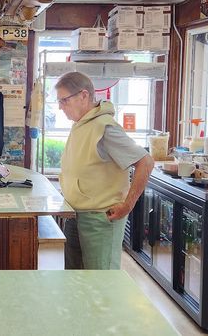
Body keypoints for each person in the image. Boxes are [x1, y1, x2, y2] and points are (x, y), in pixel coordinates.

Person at [55, 72, 154, 270]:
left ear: (83, 96)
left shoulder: (105, 127)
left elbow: (145, 162)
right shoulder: (80, 124)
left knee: (101, 284)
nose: (60, 107)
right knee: (77, 281)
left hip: (99, 218)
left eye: (64, 100)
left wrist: (128, 204)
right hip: (76, 215)